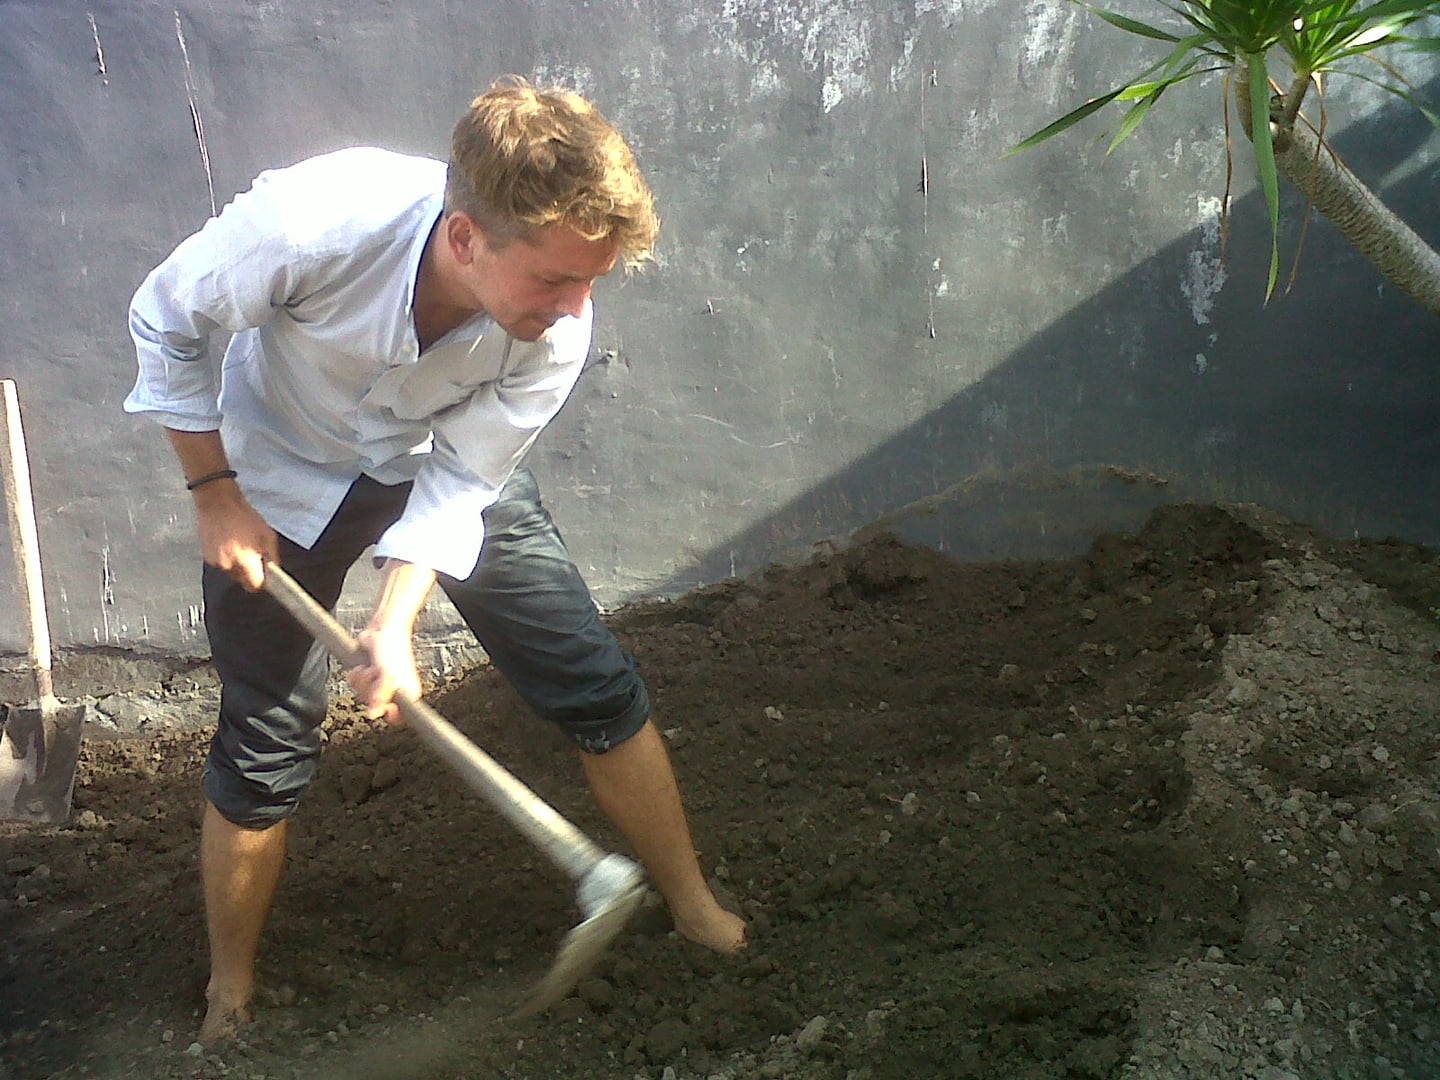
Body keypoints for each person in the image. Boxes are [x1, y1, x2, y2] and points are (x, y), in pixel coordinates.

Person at [125, 77, 747, 1045]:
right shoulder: (313, 222)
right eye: (554, 280)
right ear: (465, 238)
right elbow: (167, 319)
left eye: (592, 280)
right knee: (267, 742)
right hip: (278, 470)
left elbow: (464, 479)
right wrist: (214, 494)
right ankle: (230, 994)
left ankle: (695, 905)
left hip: (435, 460)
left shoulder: (559, 328)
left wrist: (394, 620)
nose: (576, 308)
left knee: (592, 680)